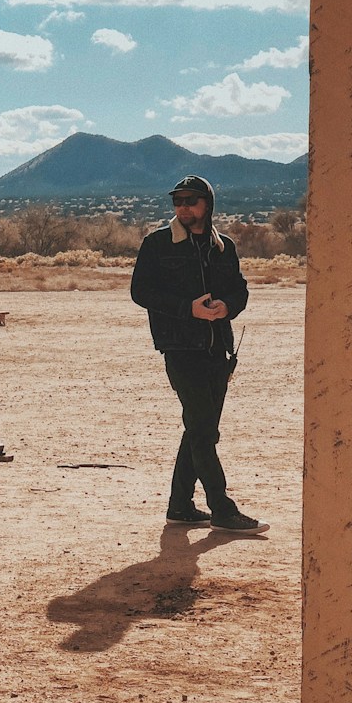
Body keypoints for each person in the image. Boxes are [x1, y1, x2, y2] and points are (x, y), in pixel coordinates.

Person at [129, 175, 267, 534]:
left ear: (207, 204)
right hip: (179, 347)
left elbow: (239, 290)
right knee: (204, 430)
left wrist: (227, 307)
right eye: (178, 201)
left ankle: (180, 506)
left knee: (200, 429)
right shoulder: (158, 244)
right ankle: (221, 508)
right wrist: (187, 309)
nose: (183, 207)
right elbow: (141, 292)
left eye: (191, 200)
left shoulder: (224, 247)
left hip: (218, 348)